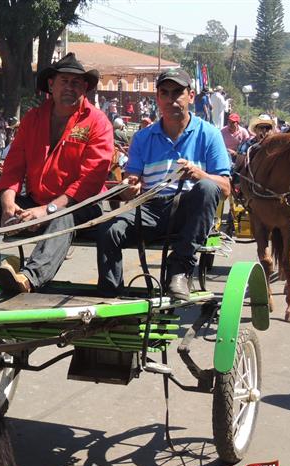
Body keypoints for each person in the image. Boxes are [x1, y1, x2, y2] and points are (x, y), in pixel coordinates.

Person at [0, 53, 113, 294]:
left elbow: (90, 181)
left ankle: (29, 278)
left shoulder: (98, 122)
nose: (70, 87)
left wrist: (48, 210)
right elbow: (13, 167)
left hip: (80, 206)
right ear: (51, 85)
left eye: (76, 83)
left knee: (62, 215)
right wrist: (8, 205)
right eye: (64, 81)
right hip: (36, 203)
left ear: (85, 88)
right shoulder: (32, 119)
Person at [94, 68, 231, 300]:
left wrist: (199, 174)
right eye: (164, 93)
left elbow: (225, 188)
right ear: (157, 98)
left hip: (190, 213)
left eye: (177, 92)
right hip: (151, 208)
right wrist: (130, 186)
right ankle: (109, 295)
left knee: (208, 187)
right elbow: (131, 183)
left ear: (191, 96)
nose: (171, 99)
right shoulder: (142, 138)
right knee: (109, 230)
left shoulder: (209, 134)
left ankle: (179, 271)